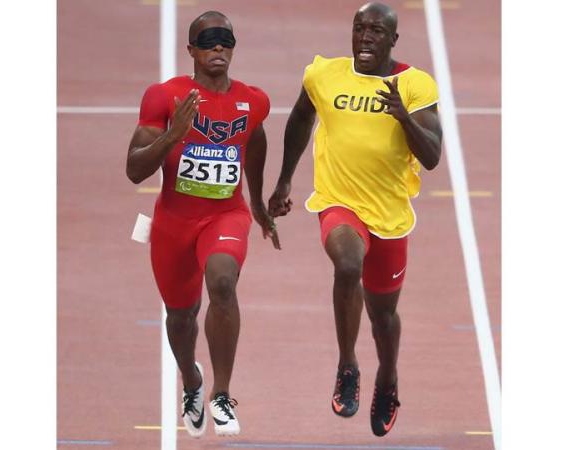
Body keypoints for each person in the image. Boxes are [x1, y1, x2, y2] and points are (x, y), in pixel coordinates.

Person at [268, 2, 442, 437]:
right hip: (338, 201)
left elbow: (432, 156)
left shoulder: (416, 85)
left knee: (384, 317)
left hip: (390, 215)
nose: (365, 36)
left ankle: (387, 378)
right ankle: (348, 366)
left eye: (376, 31)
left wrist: (404, 117)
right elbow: (300, 119)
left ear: (392, 40)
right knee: (347, 265)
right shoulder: (324, 75)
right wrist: (286, 181)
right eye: (359, 28)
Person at [126, 10, 278, 438]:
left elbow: (256, 138)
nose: (217, 48)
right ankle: (191, 381)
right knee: (181, 316)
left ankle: (222, 394)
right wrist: (172, 137)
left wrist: (259, 201)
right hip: (174, 222)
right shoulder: (164, 96)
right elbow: (134, 170)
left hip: (225, 215)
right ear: (191, 49)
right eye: (208, 41)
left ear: (233, 48)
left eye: (225, 41)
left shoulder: (254, 100)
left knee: (223, 282)